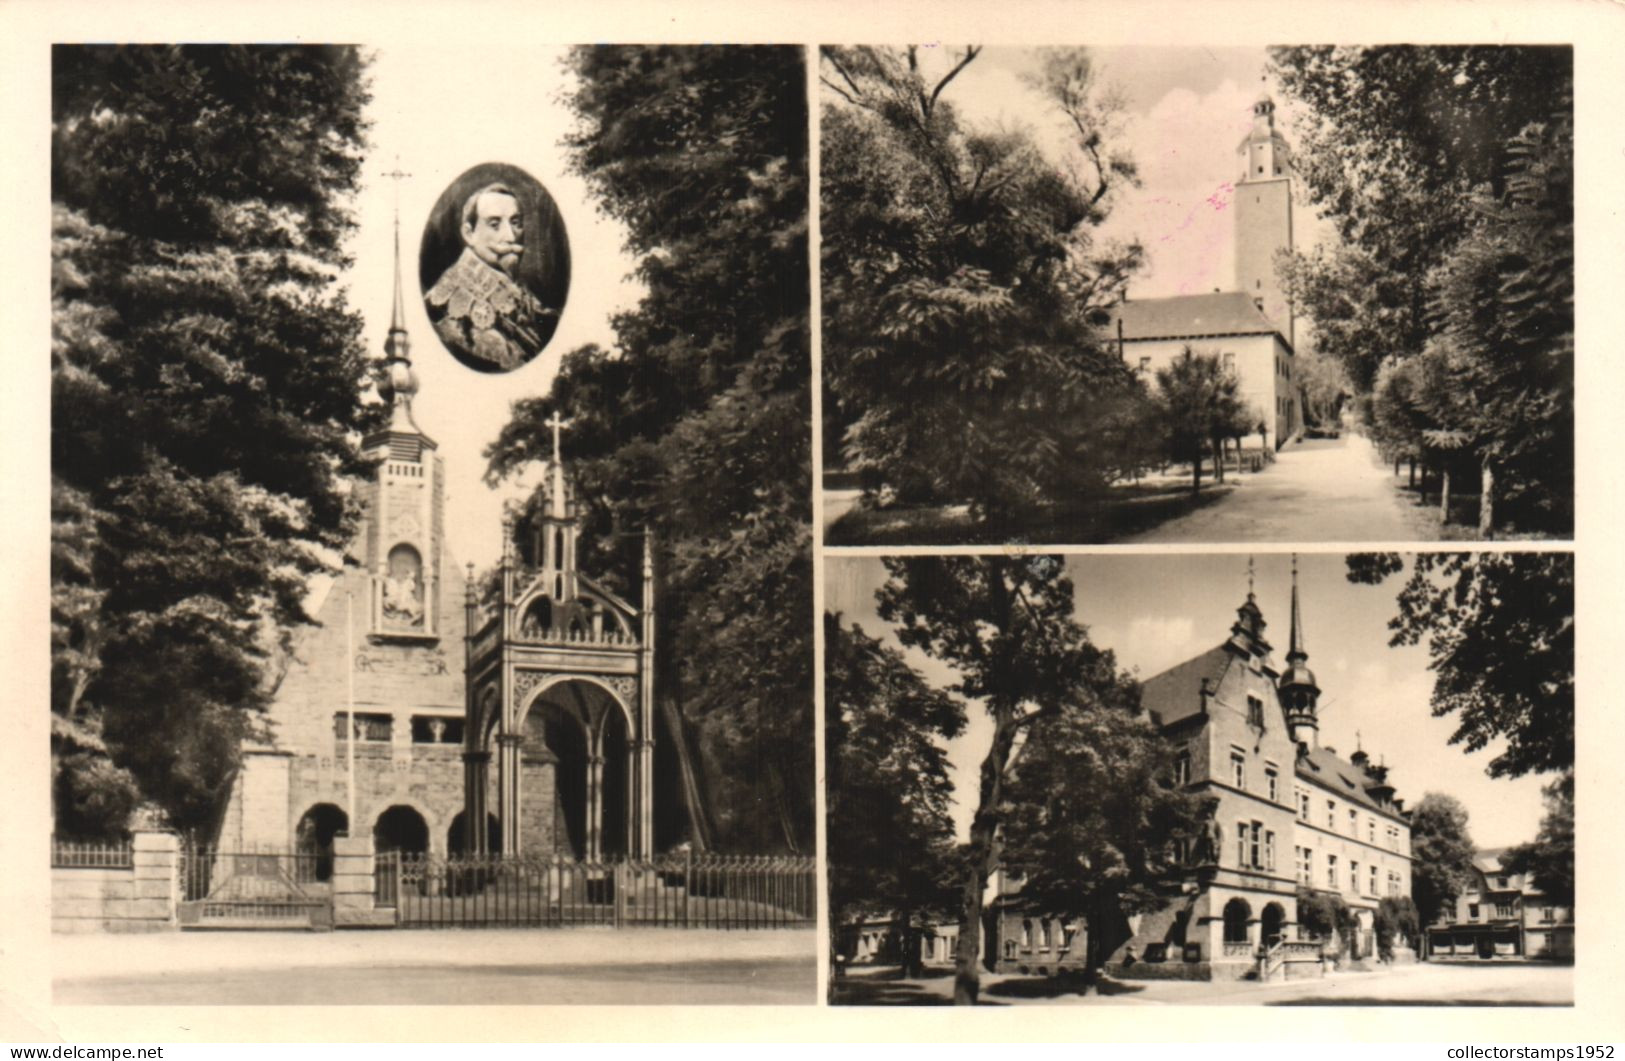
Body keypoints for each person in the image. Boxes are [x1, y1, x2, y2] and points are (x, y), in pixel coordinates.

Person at [425, 182, 557, 370]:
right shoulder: (445, 303)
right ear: (469, 234)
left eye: (516, 223)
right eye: (495, 225)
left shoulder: (517, 287)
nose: (511, 237)